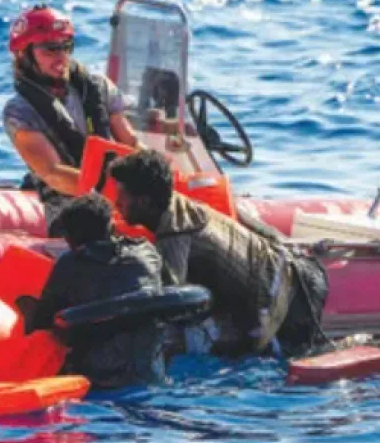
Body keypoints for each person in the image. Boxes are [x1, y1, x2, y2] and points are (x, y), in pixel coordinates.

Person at [108, 149, 328, 358]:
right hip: (295, 274)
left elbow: (170, 303)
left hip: (289, 303)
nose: (116, 203)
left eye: (122, 196)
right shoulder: (180, 205)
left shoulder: (174, 233)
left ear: (144, 200)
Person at [2, 5, 139, 224]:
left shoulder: (98, 87)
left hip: (123, 202)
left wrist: (155, 179)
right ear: (24, 55)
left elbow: (130, 141)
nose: (61, 57)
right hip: (70, 214)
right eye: (50, 49)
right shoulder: (19, 112)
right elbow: (53, 173)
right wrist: (115, 195)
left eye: (66, 47)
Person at [22, 194, 167, 389]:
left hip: (98, 382)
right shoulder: (146, 252)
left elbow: (42, 320)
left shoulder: (70, 264)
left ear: (70, 240)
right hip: (150, 375)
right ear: (112, 226)